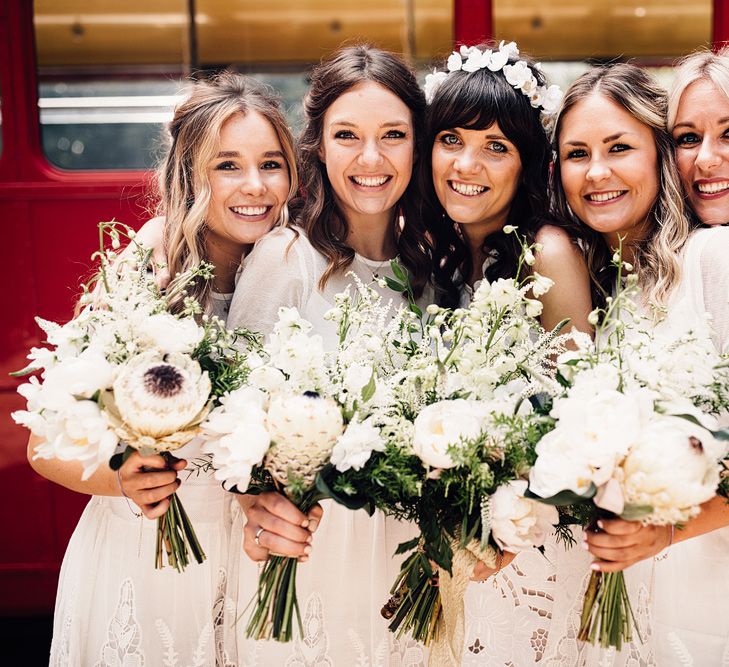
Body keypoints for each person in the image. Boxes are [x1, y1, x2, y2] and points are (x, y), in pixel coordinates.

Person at [28, 71, 298, 666]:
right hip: (149, 559)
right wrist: (119, 476)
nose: (255, 186)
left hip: (250, 565)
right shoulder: (146, 272)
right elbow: (42, 445)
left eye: (272, 164)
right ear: (189, 175)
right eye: (227, 165)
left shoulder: (295, 270)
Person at [226, 45, 431, 665]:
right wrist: (256, 504)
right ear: (317, 145)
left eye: (393, 134)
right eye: (347, 135)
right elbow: (233, 421)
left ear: (418, 145)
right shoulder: (284, 258)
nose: (371, 158)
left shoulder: (428, 268)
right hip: (310, 550)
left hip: (402, 555)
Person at [418, 42, 593, 664]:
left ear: (527, 165)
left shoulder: (545, 252)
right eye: (452, 139)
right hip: (456, 541)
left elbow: (578, 416)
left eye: (497, 147)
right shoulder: (433, 250)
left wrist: (505, 513)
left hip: (527, 550)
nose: (468, 163)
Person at [545, 62, 700, 666]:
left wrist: (665, 531)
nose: (597, 172)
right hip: (619, 585)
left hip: (699, 578)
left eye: (619, 148)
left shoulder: (710, 259)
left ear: (659, 155)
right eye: (577, 153)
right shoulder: (582, 281)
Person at [587, 49, 729, 665]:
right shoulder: (670, 263)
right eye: (686, 138)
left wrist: (667, 529)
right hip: (658, 580)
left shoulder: (714, 257)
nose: (705, 160)